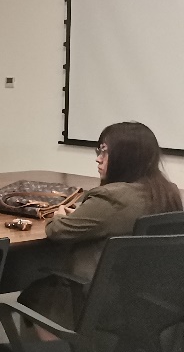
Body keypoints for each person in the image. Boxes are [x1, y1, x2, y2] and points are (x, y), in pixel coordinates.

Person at [28, 121, 182, 327]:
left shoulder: (111, 198)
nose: (98, 158)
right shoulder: (167, 193)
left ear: (126, 157)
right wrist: (85, 214)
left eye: (105, 151)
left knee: (34, 296)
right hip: (146, 301)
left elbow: (57, 231)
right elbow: (115, 220)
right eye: (98, 150)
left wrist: (59, 215)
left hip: (96, 297)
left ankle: (56, 347)